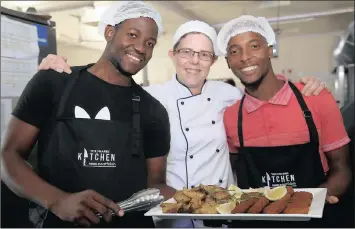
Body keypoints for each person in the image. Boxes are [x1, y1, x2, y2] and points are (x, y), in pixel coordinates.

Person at [38, 20, 327, 228]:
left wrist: (306, 85)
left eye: (203, 54)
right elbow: (103, 87)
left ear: (213, 61)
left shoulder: (229, 95)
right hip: (170, 215)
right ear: (173, 55)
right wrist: (62, 72)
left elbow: (265, 94)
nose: (194, 61)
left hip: (225, 212)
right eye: (187, 52)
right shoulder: (148, 99)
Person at [0, 1, 175, 228]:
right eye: (132, 35)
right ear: (110, 32)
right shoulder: (54, 83)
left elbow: (156, 187)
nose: (141, 48)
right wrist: (57, 200)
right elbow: (8, 157)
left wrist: (203, 200)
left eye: (149, 43)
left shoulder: (153, 110)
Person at [219, 15, 352, 227]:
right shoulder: (230, 116)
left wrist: (315, 201)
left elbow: (342, 168)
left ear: (270, 49)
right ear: (228, 61)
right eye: (234, 51)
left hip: (314, 217)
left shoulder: (316, 99)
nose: (245, 57)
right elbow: (232, 174)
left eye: (254, 46)